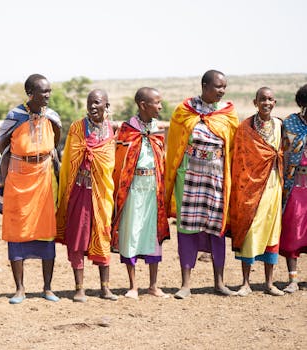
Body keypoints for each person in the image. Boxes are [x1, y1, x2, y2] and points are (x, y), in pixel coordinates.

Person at [165, 70, 239, 299]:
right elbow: (175, 144)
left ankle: (219, 282)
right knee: (187, 228)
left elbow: (234, 147)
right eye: (218, 86)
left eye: (224, 87)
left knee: (217, 228)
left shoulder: (227, 113)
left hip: (216, 176)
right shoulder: (184, 110)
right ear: (204, 86)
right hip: (189, 176)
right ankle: (185, 284)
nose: (222, 91)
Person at [0, 74, 61, 304]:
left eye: (49, 91)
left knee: (46, 232)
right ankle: (20, 289)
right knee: (16, 231)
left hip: (44, 178)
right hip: (18, 179)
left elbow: (57, 141)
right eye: (43, 91)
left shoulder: (52, 117)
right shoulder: (15, 116)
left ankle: (47, 288)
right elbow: (3, 144)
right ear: (30, 93)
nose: (47, 95)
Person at [56, 89, 117, 302]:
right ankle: (79, 288)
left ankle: (105, 288)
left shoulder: (113, 129)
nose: (92, 106)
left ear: (106, 105)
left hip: (102, 192)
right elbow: (69, 160)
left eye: (97, 103)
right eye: (89, 102)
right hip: (79, 190)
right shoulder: (77, 128)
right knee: (77, 237)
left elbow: (111, 162)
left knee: (102, 234)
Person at [111, 87, 170, 300]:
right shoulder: (127, 129)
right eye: (157, 103)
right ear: (143, 105)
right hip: (133, 188)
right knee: (131, 234)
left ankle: (153, 286)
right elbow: (119, 162)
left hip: (154, 188)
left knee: (153, 234)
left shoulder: (158, 129)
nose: (161, 107)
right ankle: (133, 286)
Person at [230, 87, 284, 296]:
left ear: (275, 102)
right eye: (262, 99)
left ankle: (269, 283)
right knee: (251, 231)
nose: (266, 103)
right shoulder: (245, 128)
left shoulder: (280, 125)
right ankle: (245, 283)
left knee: (272, 231)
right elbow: (240, 160)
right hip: (250, 188)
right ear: (255, 102)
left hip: (274, 184)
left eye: (270, 99)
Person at [279, 84, 307, 293]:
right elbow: (281, 153)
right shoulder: (289, 123)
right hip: (294, 184)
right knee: (292, 232)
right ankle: (293, 280)